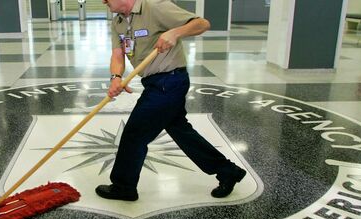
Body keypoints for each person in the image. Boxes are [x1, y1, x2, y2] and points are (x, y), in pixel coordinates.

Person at [96, 0, 247, 201]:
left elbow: (202, 23)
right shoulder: (118, 23)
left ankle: (124, 186)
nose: (103, 1)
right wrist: (116, 77)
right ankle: (228, 171)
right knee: (181, 131)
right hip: (153, 82)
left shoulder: (156, 6)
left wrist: (175, 33)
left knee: (135, 133)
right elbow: (117, 55)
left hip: (170, 81)